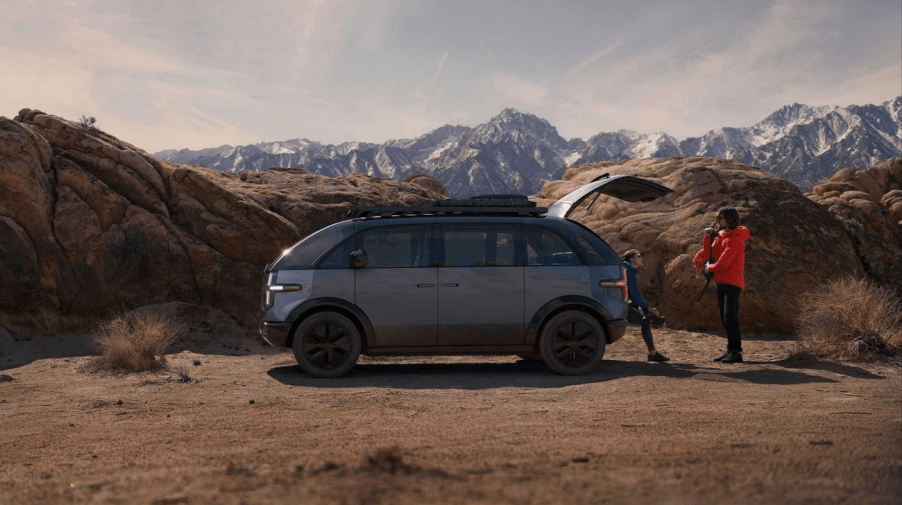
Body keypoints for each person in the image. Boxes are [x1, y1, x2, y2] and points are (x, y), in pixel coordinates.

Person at [693, 206, 750, 364]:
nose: (718, 220)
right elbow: (711, 252)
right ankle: (731, 350)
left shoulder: (736, 239)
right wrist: (708, 237)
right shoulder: (721, 235)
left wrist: (709, 268)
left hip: (733, 282)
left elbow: (723, 263)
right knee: (725, 319)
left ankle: (736, 352)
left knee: (730, 317)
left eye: (721, 218)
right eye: (718, 218)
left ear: (730, 219)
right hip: (722, 282)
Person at [622, 249, 669, 362]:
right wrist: (648, 308)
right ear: (632, 259)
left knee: (645, 319)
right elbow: (635, 293)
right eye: (639, 256)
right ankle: (652, 354)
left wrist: (645, 307)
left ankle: (653, 353)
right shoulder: (628, 270)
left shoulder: (628, 269)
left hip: (622, 301)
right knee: (645, 320)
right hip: (621, 303)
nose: (641, 258)